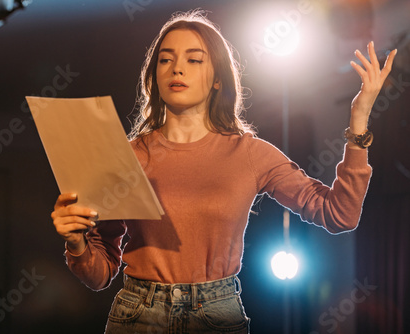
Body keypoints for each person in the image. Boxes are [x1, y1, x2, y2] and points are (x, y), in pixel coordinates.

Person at [51, 10, 396, 334]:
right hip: (137, 314)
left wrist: (359, 121)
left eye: (193, 59)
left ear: (217, 79)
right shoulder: (127, 157)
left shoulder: (248, 153)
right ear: (154, 77)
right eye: (166, 59)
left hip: (215, 315)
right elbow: (100, 274)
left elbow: (340, 215)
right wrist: (77, 242)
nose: (177, 69)